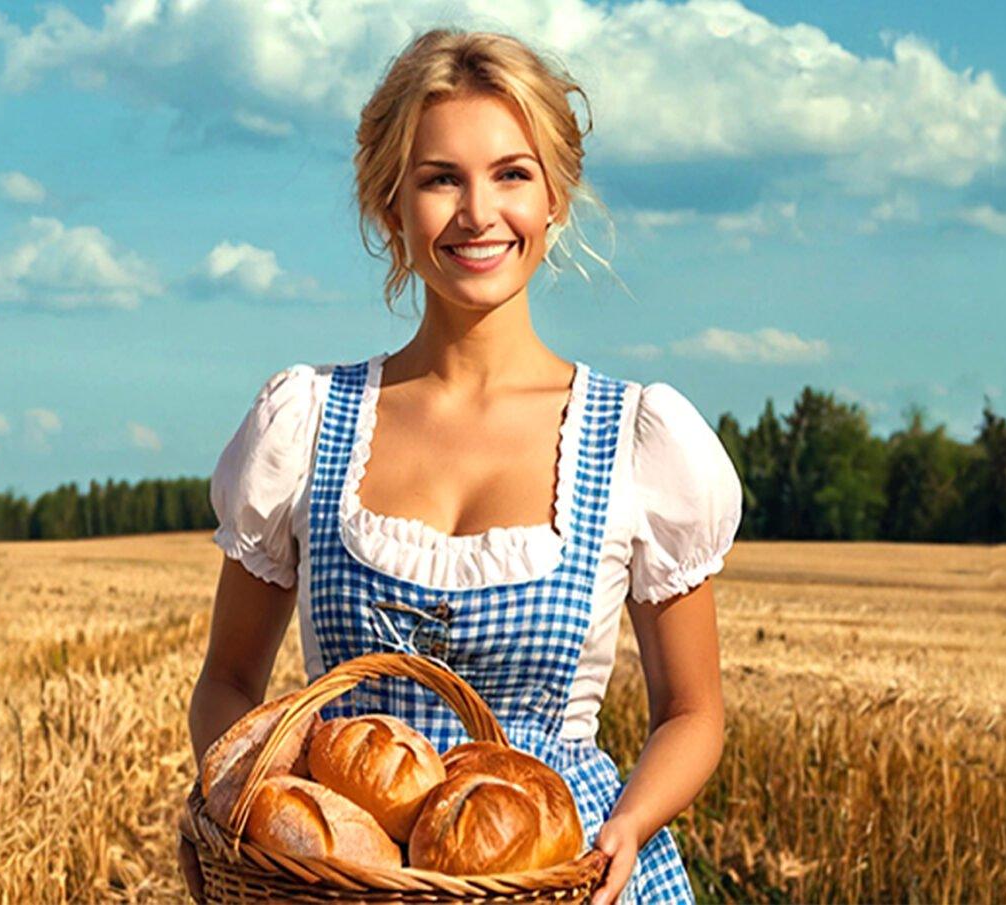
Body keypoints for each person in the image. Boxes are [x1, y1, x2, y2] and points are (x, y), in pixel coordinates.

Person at [177, 27, 736, 905]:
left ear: (556, 196)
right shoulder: (308, 422)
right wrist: (250, 805)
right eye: (442, 178)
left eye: (512, 173)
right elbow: (230, 681)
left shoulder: (636, 438)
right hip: (350, 883)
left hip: (565, 874)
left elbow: (692, 710)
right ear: (389, 205)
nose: (479, 213)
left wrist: (626, 826)